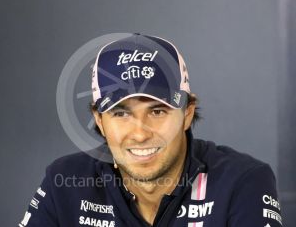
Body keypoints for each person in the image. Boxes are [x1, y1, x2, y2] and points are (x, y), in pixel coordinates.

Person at [19, 33, 283, 227]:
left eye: (157, 111)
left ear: (187, 114)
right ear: (99, 120)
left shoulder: (243, 181)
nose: (140, 133)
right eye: (121, 113)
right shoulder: (63, 181)